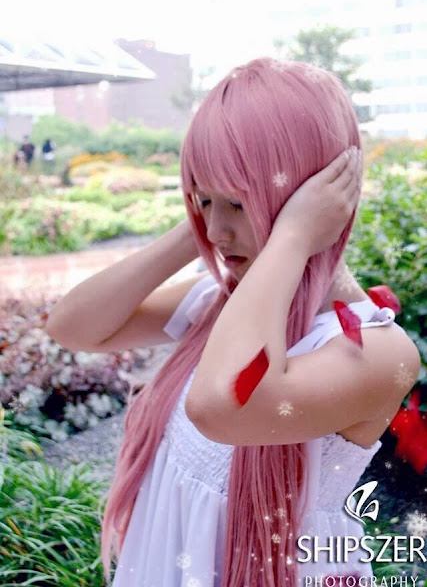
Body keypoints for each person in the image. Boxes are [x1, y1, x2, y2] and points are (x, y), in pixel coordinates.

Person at [45, 58, 420, 587]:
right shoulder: (219, 303)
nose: (217, 230)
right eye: (203, 200)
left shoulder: (377, 352)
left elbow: (220, 407)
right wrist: (200, 224)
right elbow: (72, 326)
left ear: (315, 199)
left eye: (239, 203)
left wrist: (291, 236)